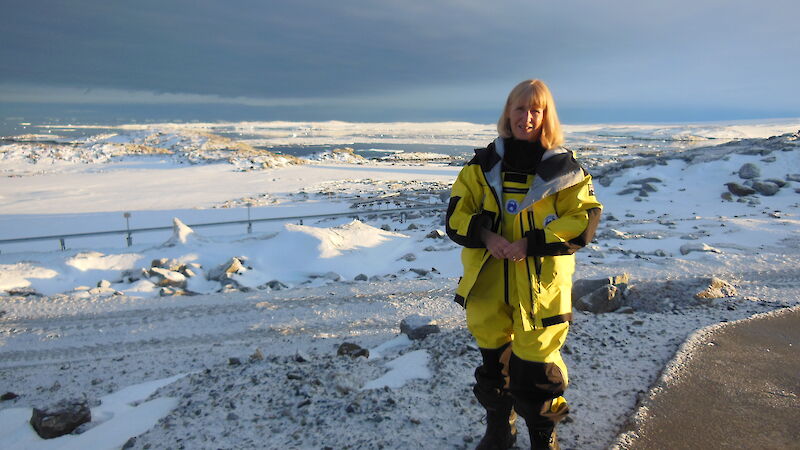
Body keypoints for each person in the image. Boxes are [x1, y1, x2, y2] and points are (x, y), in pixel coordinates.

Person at [445, 79, 602, 450]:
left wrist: (531, 243)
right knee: (493, 373)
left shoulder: (566, 171)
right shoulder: (480, 167)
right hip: (487, 290)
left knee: (541, 376)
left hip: (540, 293)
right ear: (507, 113)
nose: (526, 117)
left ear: (547, 117)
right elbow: (455, 215)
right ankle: (500, 430)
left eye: (536, 110)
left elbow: (584, 220)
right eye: (520, 108)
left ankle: (547, 435)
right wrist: (487, 237)